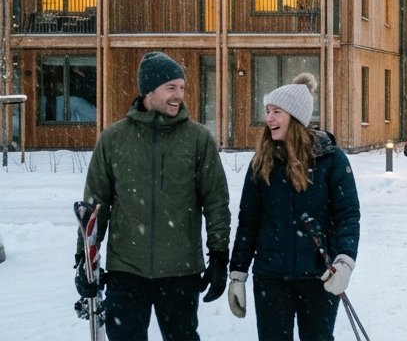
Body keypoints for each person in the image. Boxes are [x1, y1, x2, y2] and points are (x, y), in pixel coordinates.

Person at [77, 51, 230, 341]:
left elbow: (216, 202)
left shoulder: (198, 140)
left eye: (182, 88)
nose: (179, 96)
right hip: (126, 271)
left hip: (180, 272)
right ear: (148, 91)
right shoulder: (113, 139)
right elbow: (95, 208)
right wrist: (85, 259)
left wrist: (219, 255)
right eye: (171, 88)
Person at [228, 73, 361, 340]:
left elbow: (347, 215)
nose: (269, 119)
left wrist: (344, 262)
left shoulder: (331, 160)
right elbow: (248, 222)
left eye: (276, 111)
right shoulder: (261, 163)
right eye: (267, 111)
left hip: (319, 276)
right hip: (271, 277)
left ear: (296, 117)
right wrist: (238, 275)